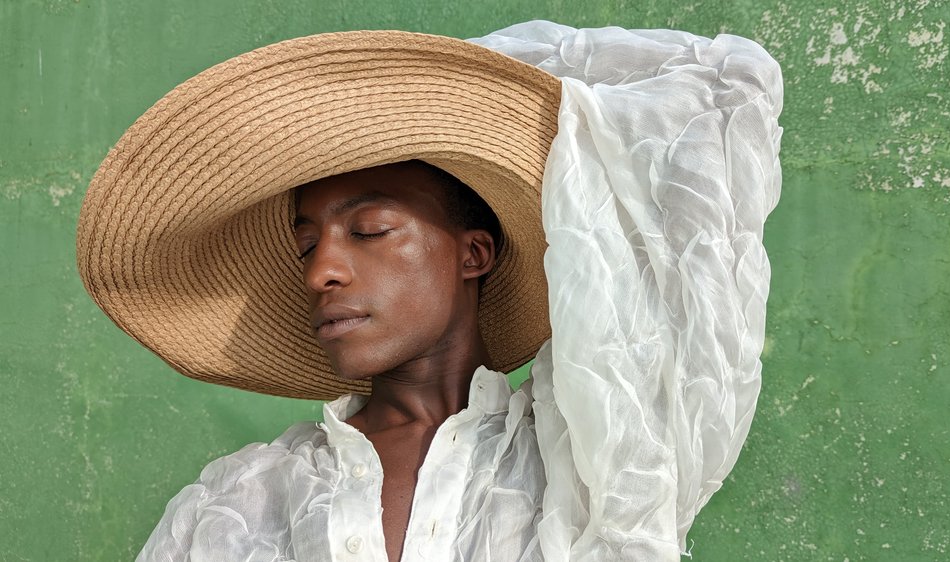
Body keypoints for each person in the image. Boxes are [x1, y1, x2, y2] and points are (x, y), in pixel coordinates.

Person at [77, 21, 782, 561]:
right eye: (305, 244)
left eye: (371, 229)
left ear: (474, 253)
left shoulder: (595, 457)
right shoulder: (242, 502)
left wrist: (475, 89)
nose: (322, 269)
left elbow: (723, 88)